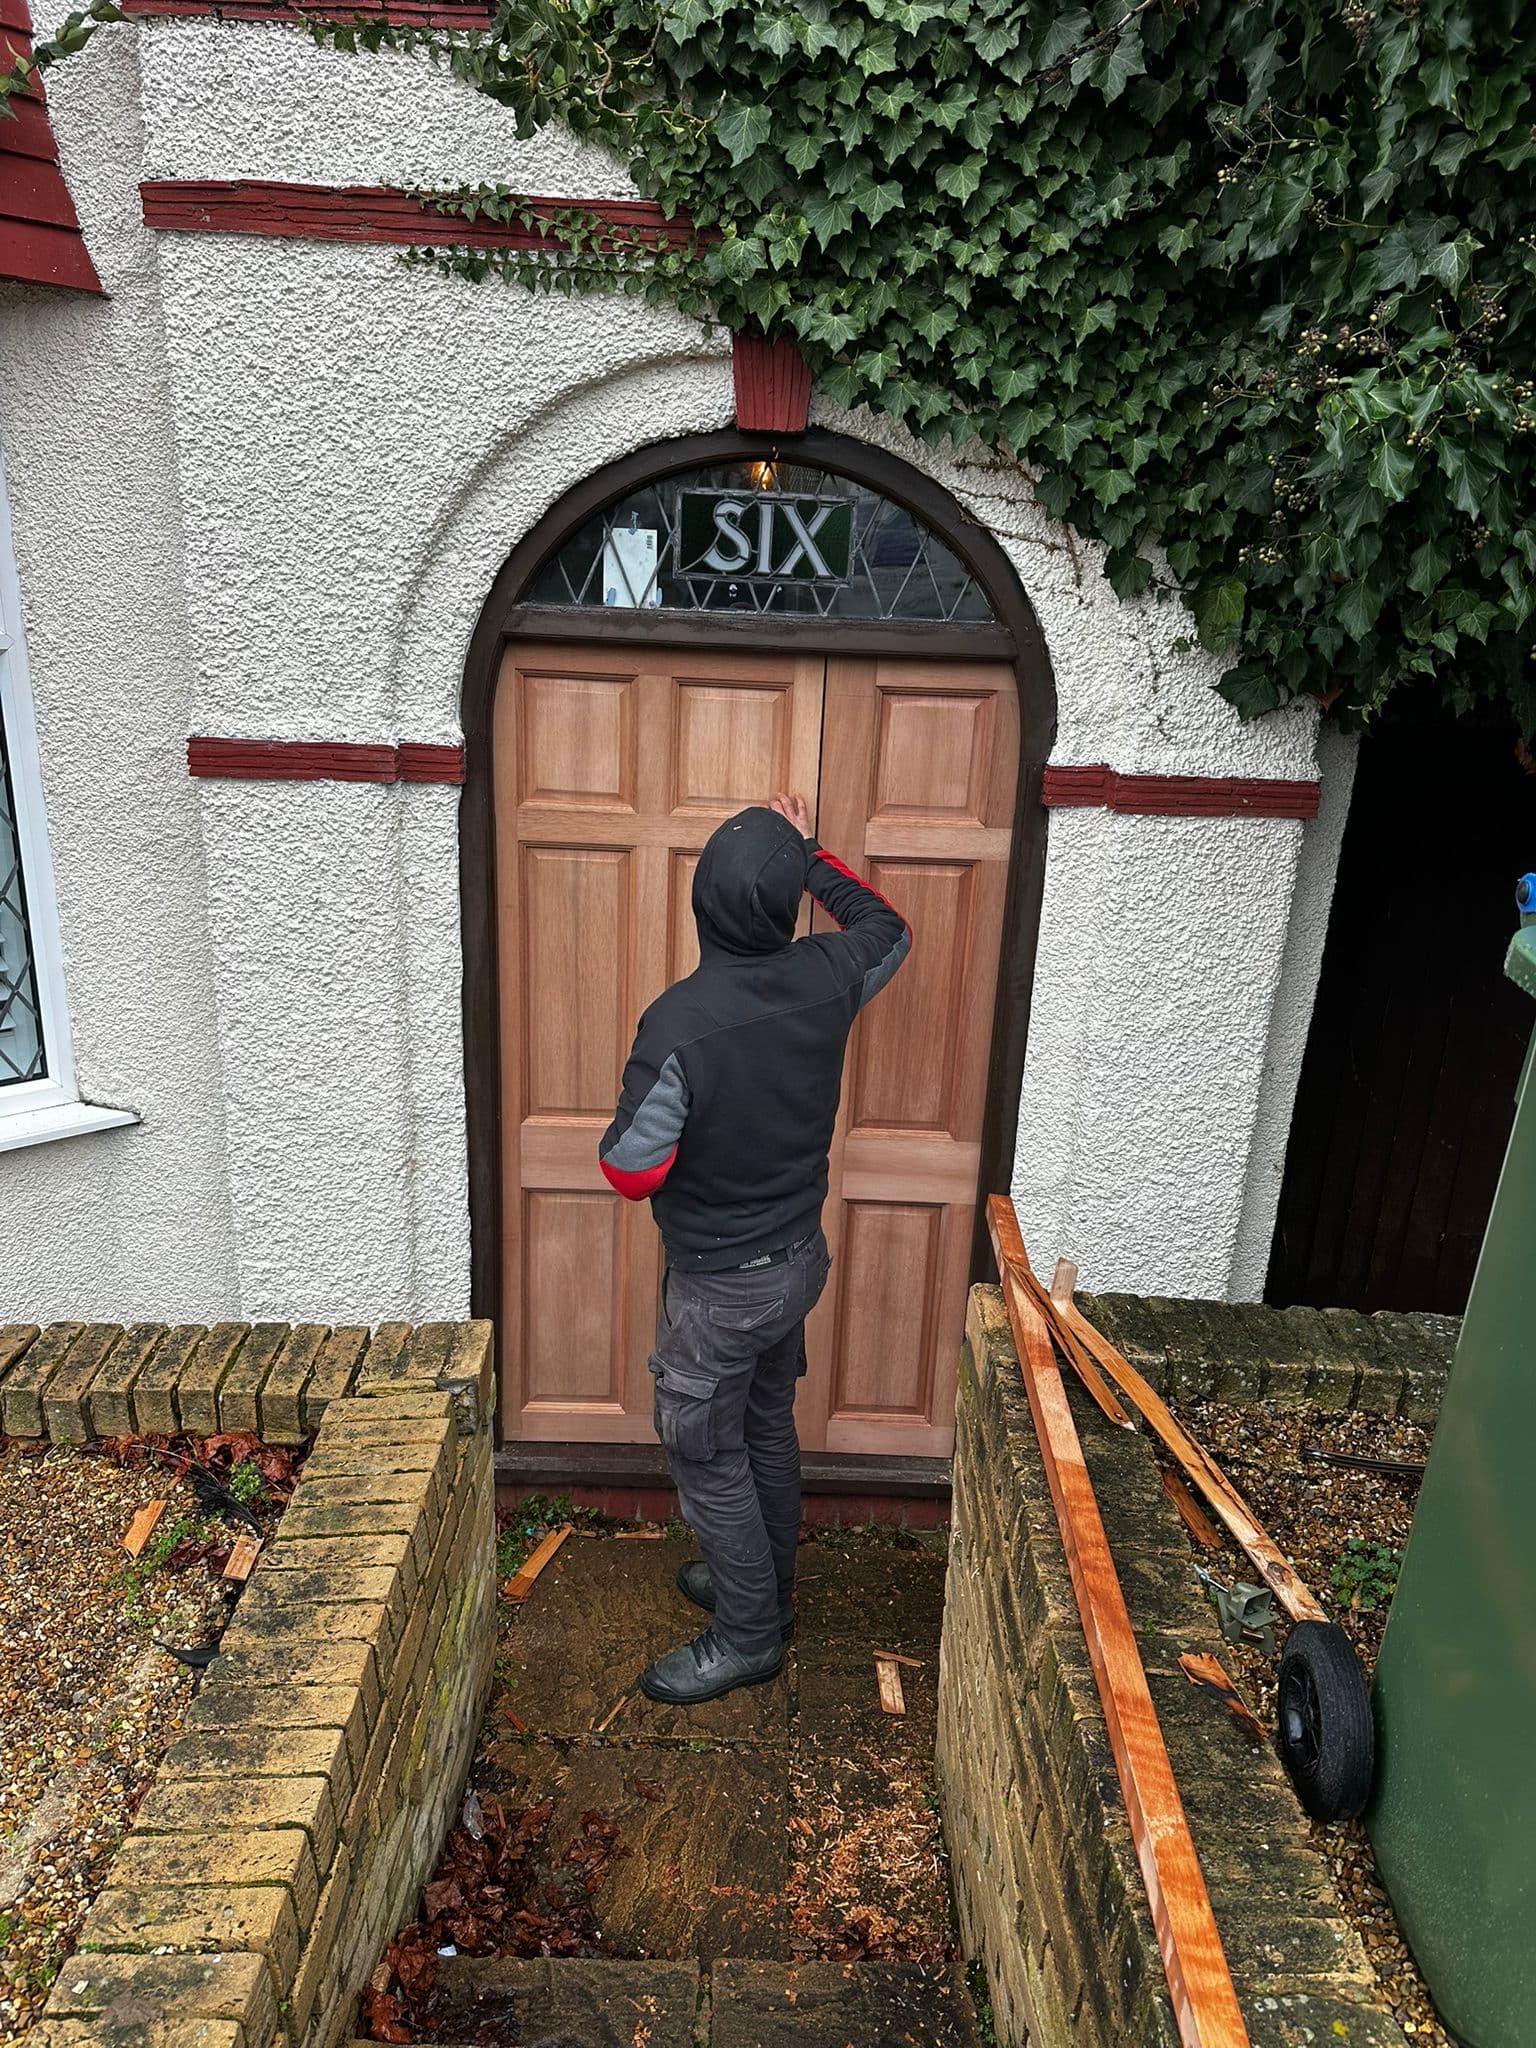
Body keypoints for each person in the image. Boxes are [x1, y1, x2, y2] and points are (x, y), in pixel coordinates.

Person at [598, 793, 911, 1704]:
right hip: (796, 1266)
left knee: (705, 1448)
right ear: (783, 910)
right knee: (764, 1424)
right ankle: (763, 1587)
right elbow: (885, 923)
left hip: (720, 1291)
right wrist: (805, 852)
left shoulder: (679, 1025)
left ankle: (748, 1635)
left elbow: (630, 1172)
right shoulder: (830, 975)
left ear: (702, 905)